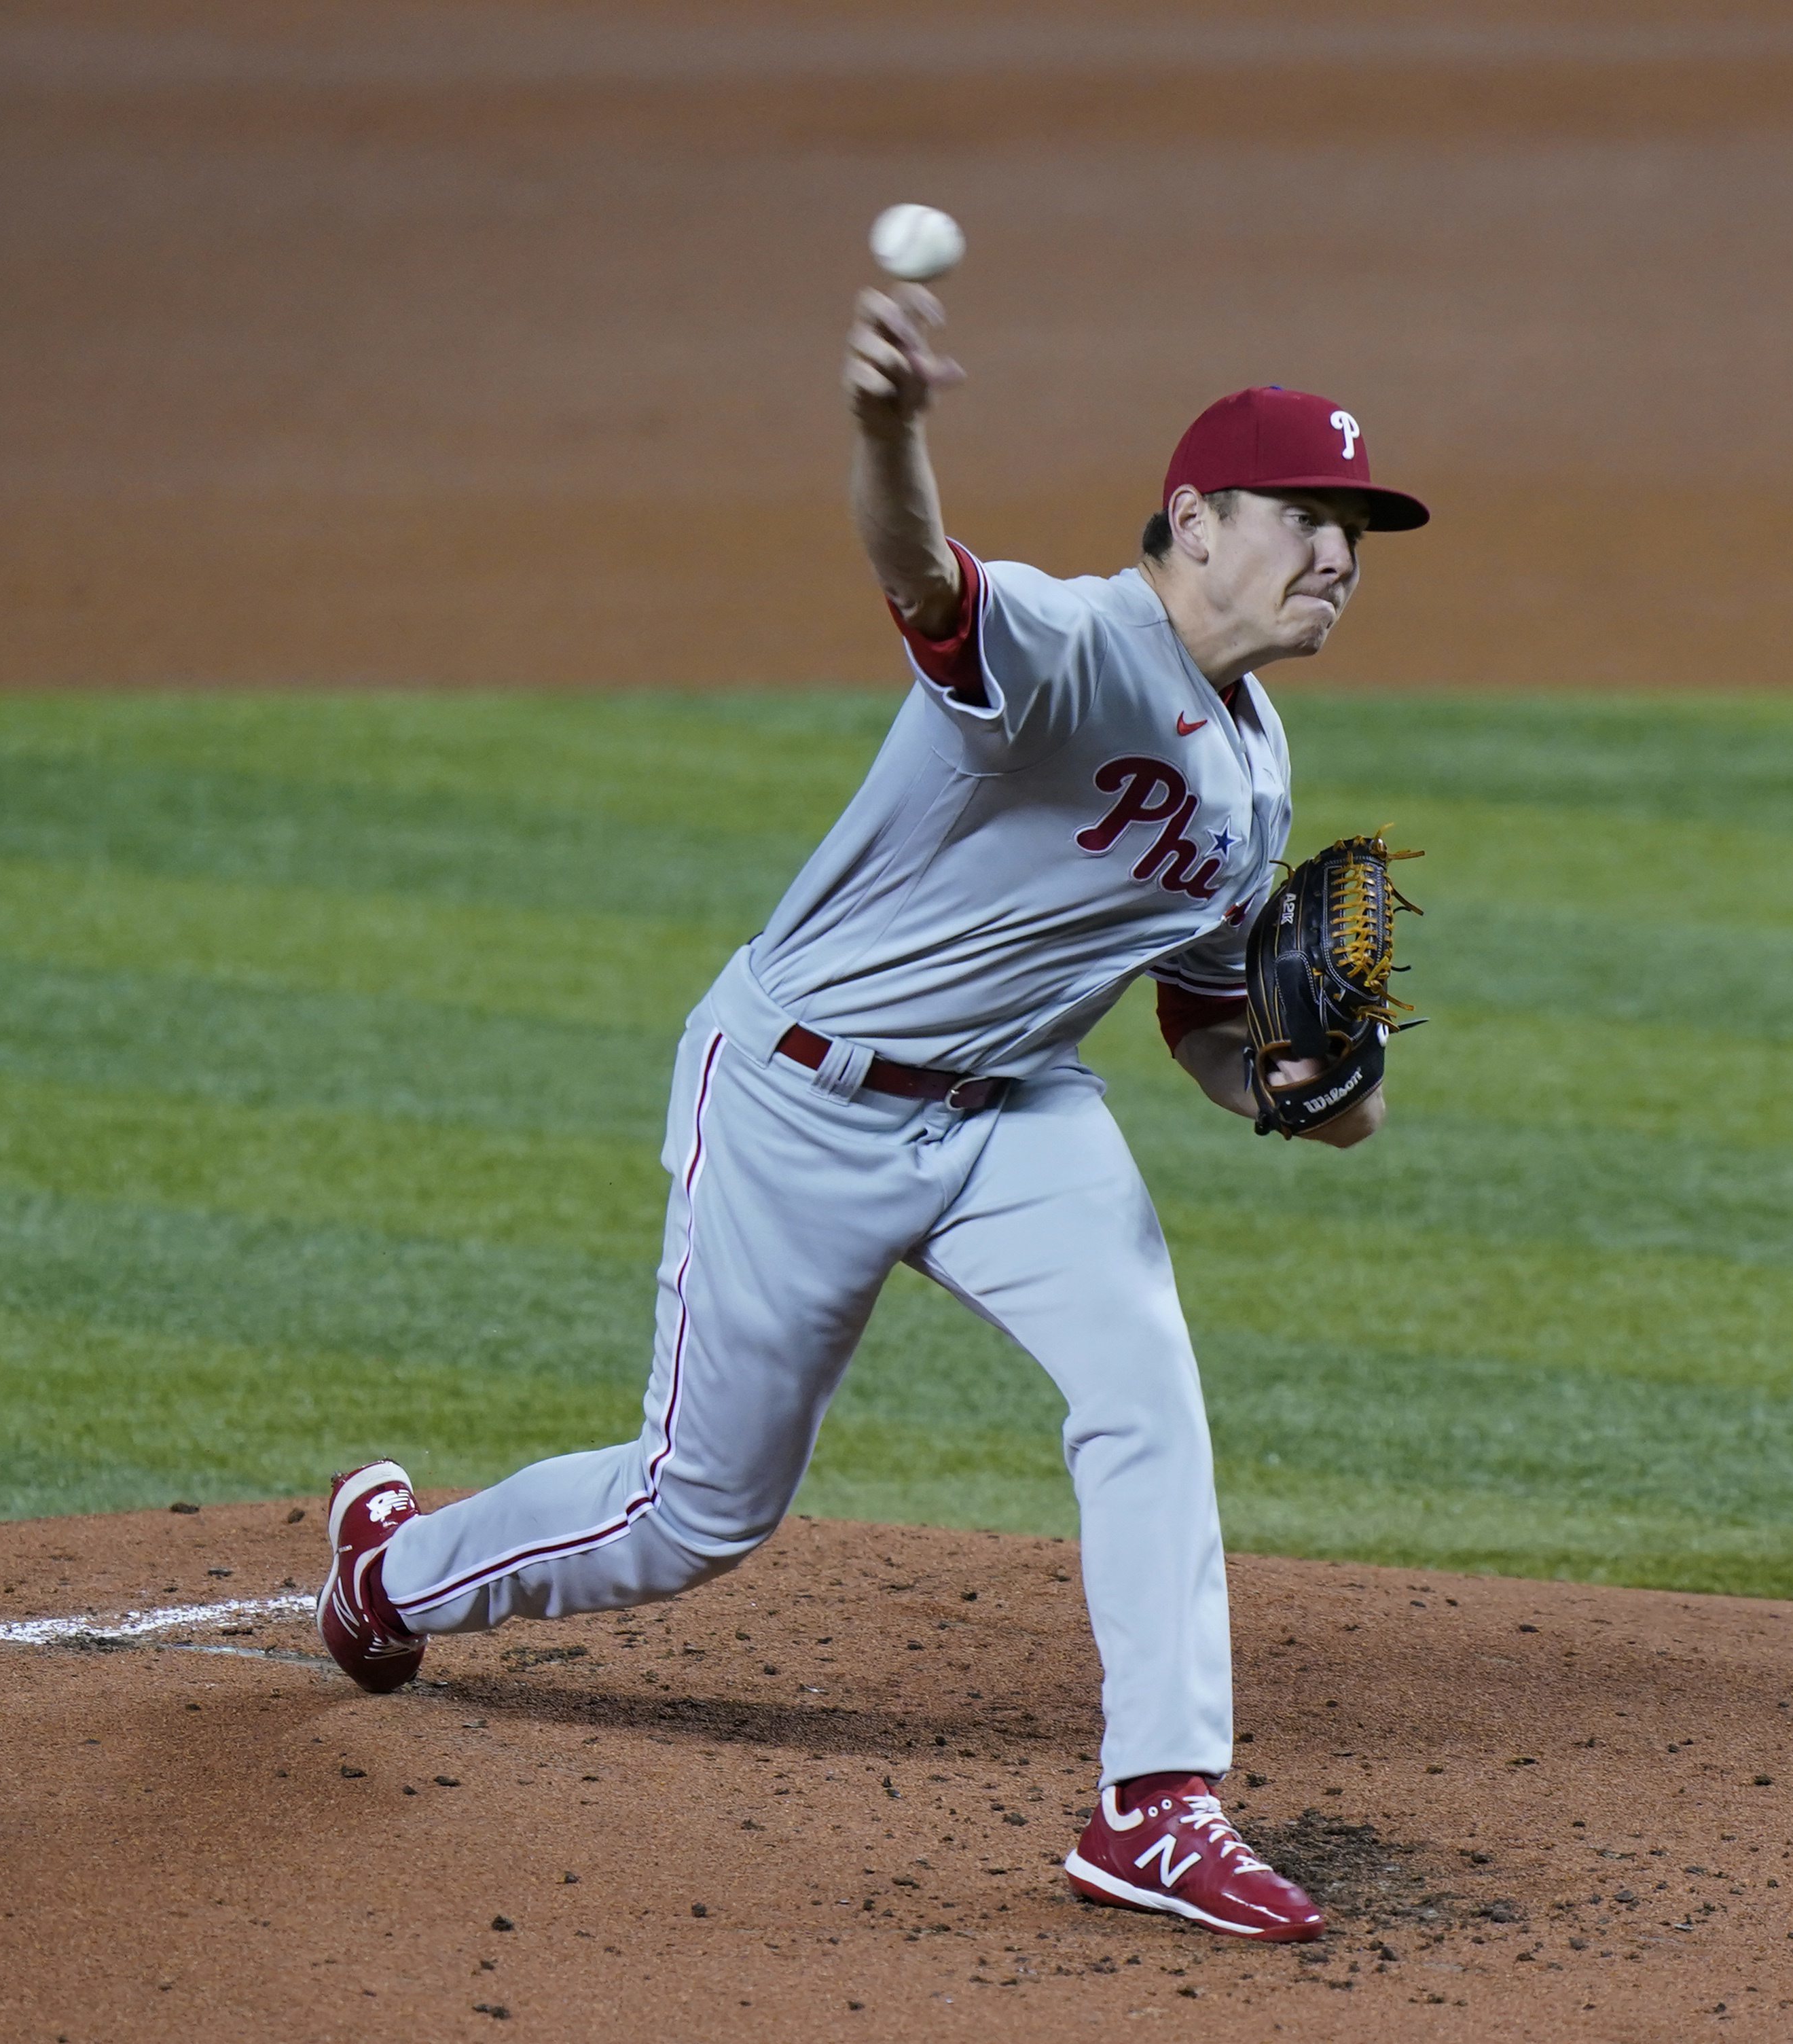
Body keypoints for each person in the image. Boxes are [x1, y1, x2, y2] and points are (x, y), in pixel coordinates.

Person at [312, 280, 1428, 1944]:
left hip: (1013, 1116)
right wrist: (887, 425)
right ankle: (385, 1576)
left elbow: (1199, 1009)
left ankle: (1159, 1802)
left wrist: (1290, 1086)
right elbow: (924, 579)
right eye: (1305, 516)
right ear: (1192, 519)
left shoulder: (1257, 765)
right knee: (695, 1512)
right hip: (797, 1098)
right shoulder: (1071, 645)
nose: (1337, 552)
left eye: (1356, 527)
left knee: (1146, 1389)